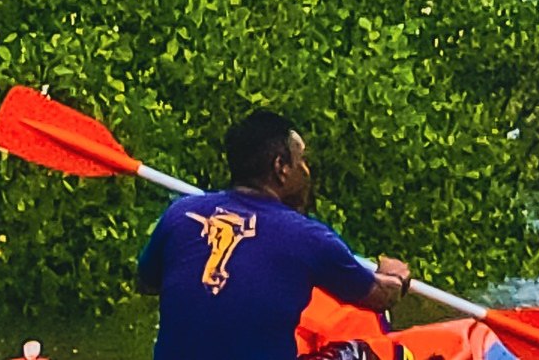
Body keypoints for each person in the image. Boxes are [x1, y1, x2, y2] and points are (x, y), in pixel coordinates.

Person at [138, 111, 414, 360]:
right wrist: (395, 275)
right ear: (281, 167)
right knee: (358, 355)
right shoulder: (309, 237)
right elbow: (380, 297)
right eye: (301, 160)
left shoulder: (179, 213)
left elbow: (148, 283)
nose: (305, 170)